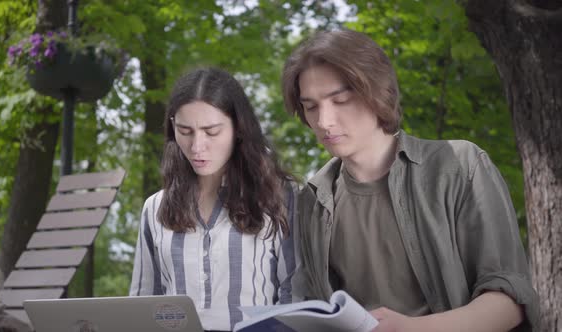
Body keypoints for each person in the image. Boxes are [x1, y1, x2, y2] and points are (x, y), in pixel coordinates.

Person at [282, 29, 538, 332]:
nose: (324, 122)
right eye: (311, 107)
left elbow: (509, 300)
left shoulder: (459, 166)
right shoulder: (313, 200)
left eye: (340, 100)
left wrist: (411, 328)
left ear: (377, 92)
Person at [130, 67, 296, 332]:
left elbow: (294, 296)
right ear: (173, 127)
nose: (197, 146)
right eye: (185, 131)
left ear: (238, 128)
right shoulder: (154, 208)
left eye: (211, 131)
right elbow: (142, 302)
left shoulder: (280, 196)